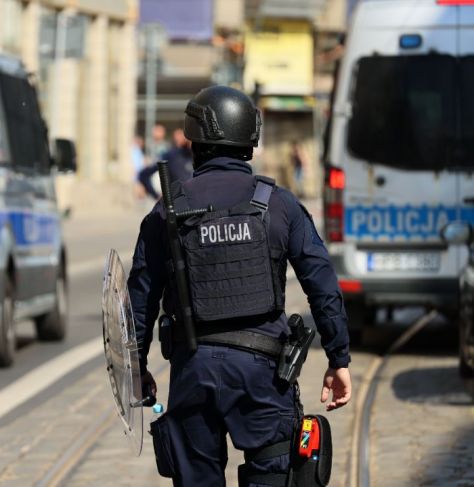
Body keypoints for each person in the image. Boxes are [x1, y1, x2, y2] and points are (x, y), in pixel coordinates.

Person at [127, 85, 351, 487]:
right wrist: (338, 359)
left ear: (193, 141)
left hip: (193, 372)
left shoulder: (168, 210)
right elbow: (322, 284)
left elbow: (139, 298)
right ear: (250, 140)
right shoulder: (279, 204)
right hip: (263, 378)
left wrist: (136, 367)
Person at [138, 128, 194, 200]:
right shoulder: (171, 156)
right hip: (177, 205)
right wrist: (156, 196)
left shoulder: (203, 157)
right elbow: (144, 174)